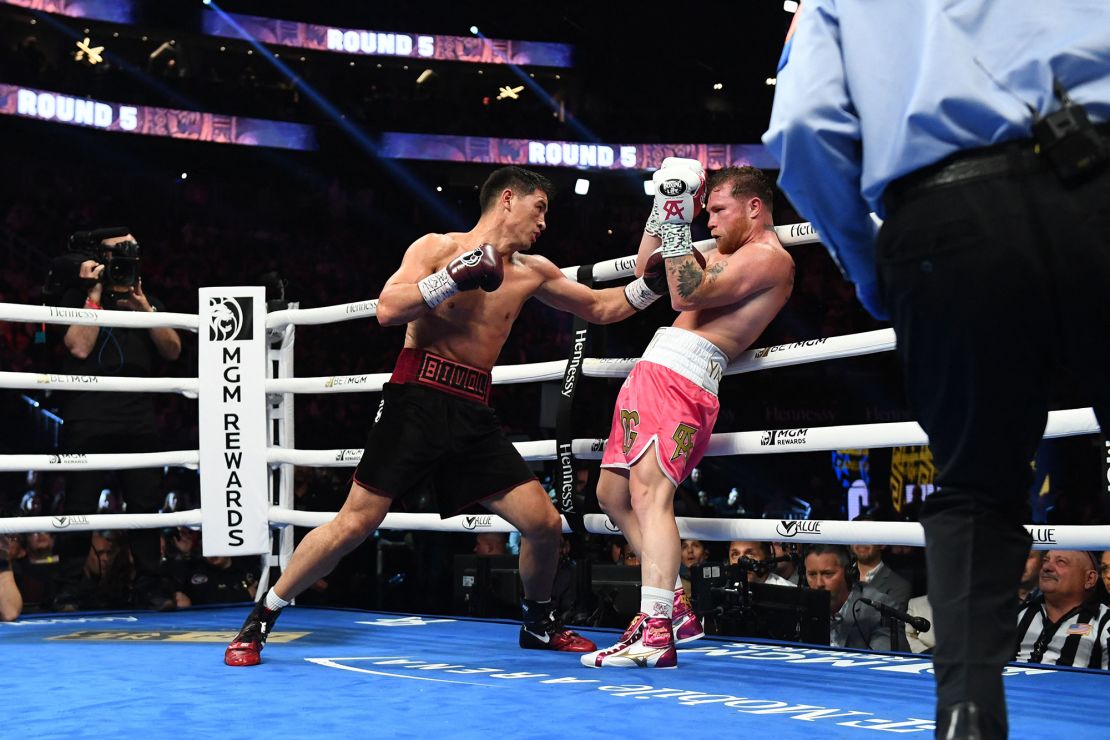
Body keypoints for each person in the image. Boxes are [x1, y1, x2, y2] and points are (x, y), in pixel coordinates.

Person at [763, 3, 1110, 736]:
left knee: (976, 486)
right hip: (1100, 182)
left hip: (944, 221)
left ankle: (967, 716)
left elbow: (802, 127)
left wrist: (867, 267)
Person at [226, 166, 661, 666]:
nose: (544, 222)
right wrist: (451, 278)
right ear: (506, 201)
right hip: (417, 397)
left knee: (543, 523)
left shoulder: (534, 270)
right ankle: (262, 616)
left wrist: (649, 288)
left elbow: (602, 307)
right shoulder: (436, 247)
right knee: (354, 524)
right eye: (538, 208)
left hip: (474, 410)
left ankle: (539, 623)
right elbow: (388, 310)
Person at [583, 162, 795, 669]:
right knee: (611, 495)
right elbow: (648, 269)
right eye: (707, 209)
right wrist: (666, 205)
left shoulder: (768, 258)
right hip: (657, 368)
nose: (711, 220)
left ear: (754, 207)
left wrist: (680, 219)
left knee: (650, 496)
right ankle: (673, 604)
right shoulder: (724, 252)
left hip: (682, 376)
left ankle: (656, 628)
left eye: (718, 210)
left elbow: (686, 293)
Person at [48, 228, 182, 611]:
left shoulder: (146, 301)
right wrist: (93, 295)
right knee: (79, 506)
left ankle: (148, 585)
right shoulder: (76, 299)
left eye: (133, 249)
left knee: (144, 506)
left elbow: (172, 349)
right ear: (99, 258)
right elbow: (78, 345)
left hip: (138, 419)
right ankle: (70, 587)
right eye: (119, 250)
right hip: (87, 418)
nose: (127, 255)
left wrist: (143, 307)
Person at [1014, 550, 1110, 669]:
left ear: (1089, 579)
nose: (1046, 567)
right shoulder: (1019, 614)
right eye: (1045, 560)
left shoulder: (1104, 622)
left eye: (1061, 562)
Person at [804, 544, 898, 651]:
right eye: (812, 574)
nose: (819, 583)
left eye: (827, 574)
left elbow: (879, 661)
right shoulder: (803, 605)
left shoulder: (879, 607)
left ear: (849, 573)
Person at [850, 543, 912, 611]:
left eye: (868, 537)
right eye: (858, 537)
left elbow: (891, 619)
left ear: (882, 545)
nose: (862, 543)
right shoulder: (840, 573)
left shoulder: (899, 584)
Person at [729, 540, 796, 587]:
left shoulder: (791, 593)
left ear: (767, 557)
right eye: (735, 554)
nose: (741, 562)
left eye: (750, 554)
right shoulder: (722, 590)